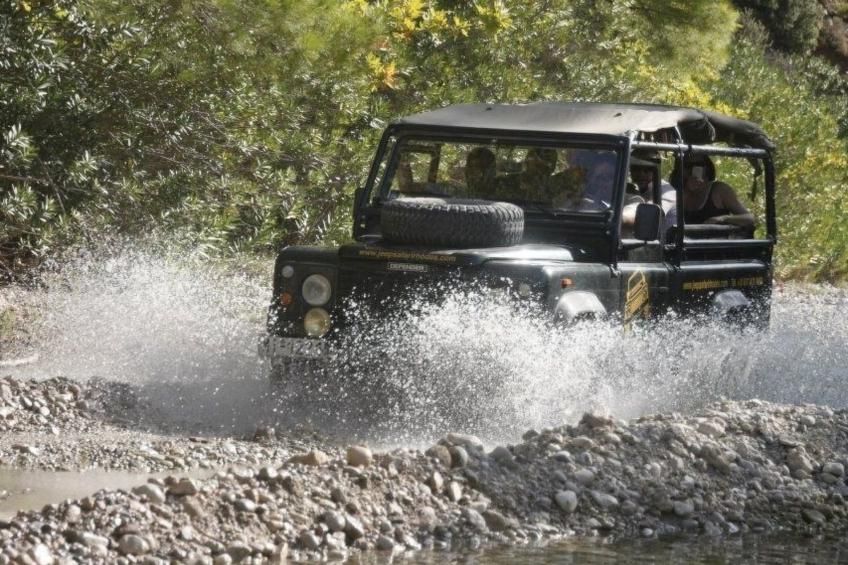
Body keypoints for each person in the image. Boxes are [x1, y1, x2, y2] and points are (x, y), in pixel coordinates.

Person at [670, 155, 754, 230]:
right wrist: (687, 192)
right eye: (688, 165)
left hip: (716, 243)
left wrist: (723, 219)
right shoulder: (673, 191)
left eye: (698, 165)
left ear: (707, 167)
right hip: (686, 244)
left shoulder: (719, 190)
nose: (693, 169)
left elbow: (749, 219)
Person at [622, 151, 677, 236]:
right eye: (636, 168)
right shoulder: (635, 188)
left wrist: (619, 217)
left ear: (656, 169)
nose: (641, 174)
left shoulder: (666, 190)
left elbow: (648, 214)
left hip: (667, 245)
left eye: (647, 169)